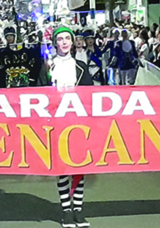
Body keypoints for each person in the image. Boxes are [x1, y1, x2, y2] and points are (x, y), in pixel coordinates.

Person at [45, 27, 93, 228]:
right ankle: (66, 210)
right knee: (63, 168)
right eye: (60, 39)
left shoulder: (81, 66)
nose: (64, 42)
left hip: (78, 122)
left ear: (72, 42)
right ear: (55, 43)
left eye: (67, 38)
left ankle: (78, 210)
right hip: (57, 122)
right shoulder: (48, 67)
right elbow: (39, 95)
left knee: (79, 167)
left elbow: (91, 96)